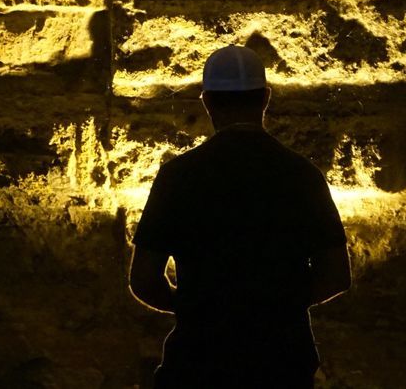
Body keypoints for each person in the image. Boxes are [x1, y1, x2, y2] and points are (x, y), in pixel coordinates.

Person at [129, 44, 351, 388]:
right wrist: (276, 305)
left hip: (198, 361)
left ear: (207, 101)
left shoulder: (178, 176)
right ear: (265, 97)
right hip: (281, 363)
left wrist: (197, 307)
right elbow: (336, 274)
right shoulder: (302, 175)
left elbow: (144, 278)